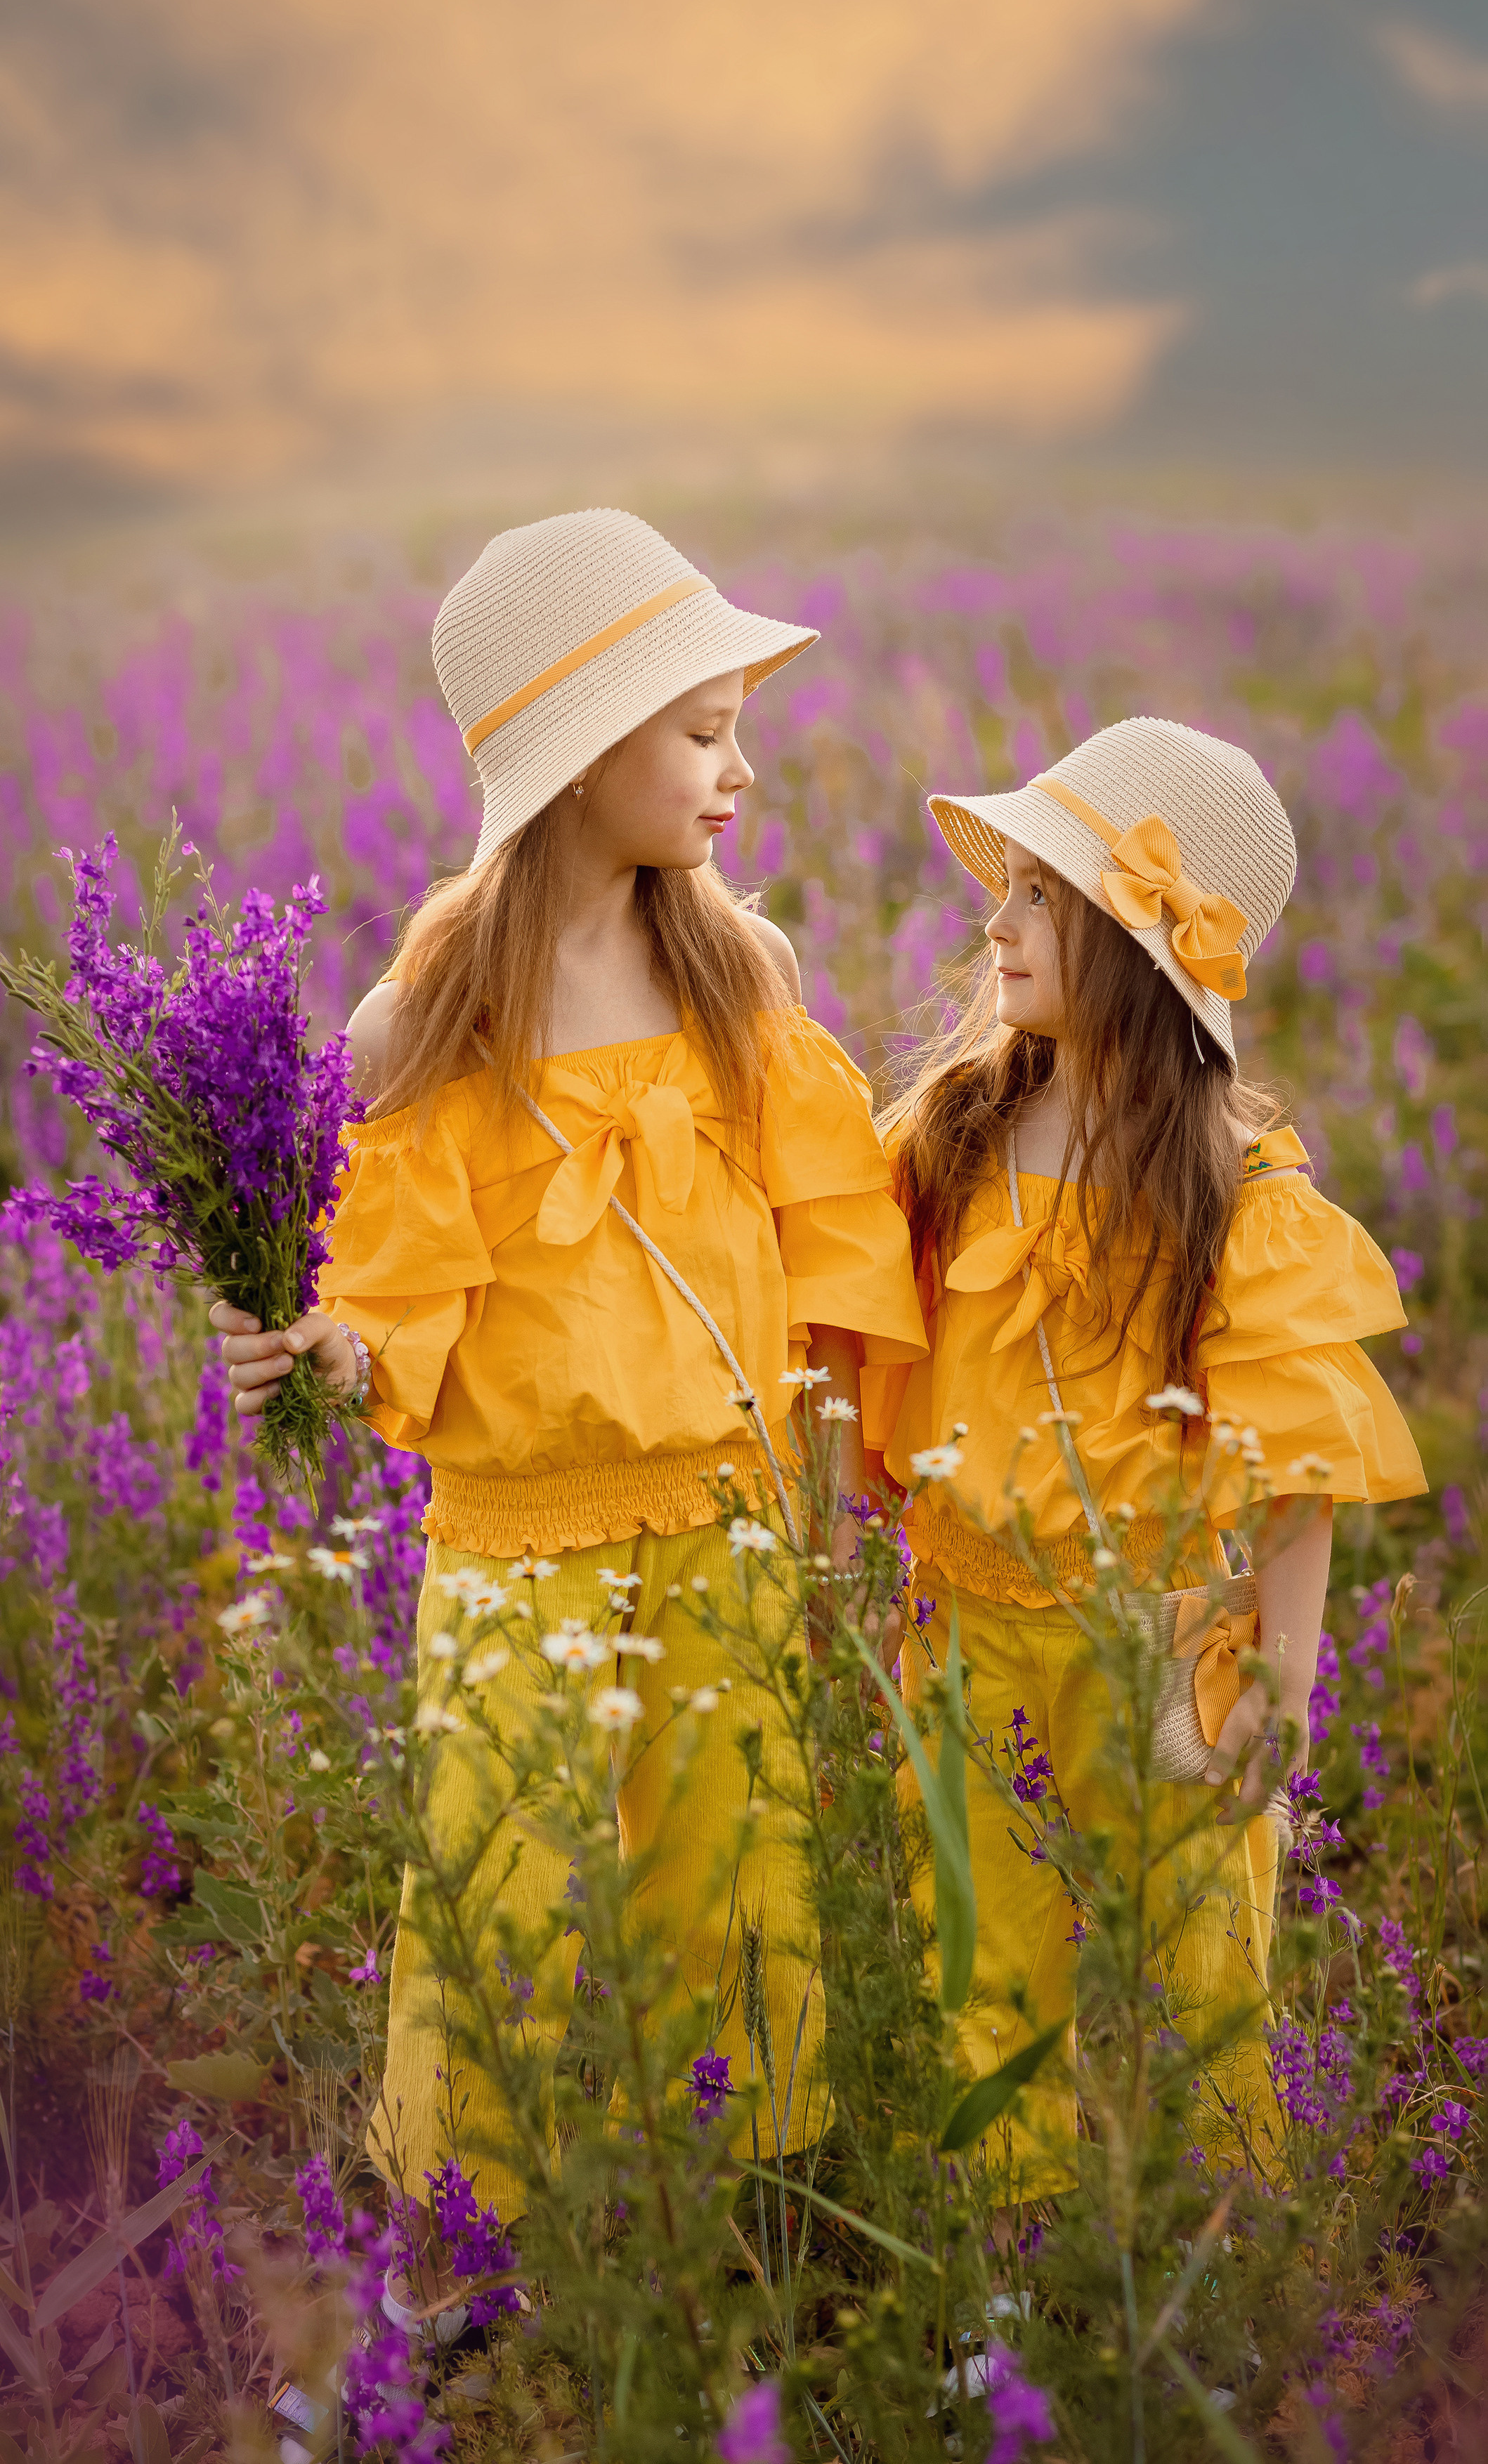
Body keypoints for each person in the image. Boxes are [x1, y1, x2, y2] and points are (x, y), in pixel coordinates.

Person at [211, 508, 925, 2272]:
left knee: (733, 1871)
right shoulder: (432, 1013)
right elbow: (398, 1276)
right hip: (521, 1538)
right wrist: (320, 1345)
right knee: (503, 1883)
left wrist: (840, 1481)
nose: (738, 767)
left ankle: (750, 2224)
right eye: (701, 733)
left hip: (725, 1518)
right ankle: (483, 2248)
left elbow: (828, 1239)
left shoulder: (734, 978)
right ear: (587, 752)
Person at [865, 716, 1425, 2199]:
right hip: (972, 1630)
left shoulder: (1233, 1188)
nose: (997, 919)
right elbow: (843, 1332)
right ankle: (1006, 2281)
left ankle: (1208, 2273)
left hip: (1170, 1643)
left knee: (1197, 1968)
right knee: (979, 1960)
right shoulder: (950, 1134)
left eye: (1041, 894)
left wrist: (1283, 1691)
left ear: (1137, 940)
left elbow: (1298, 1464)